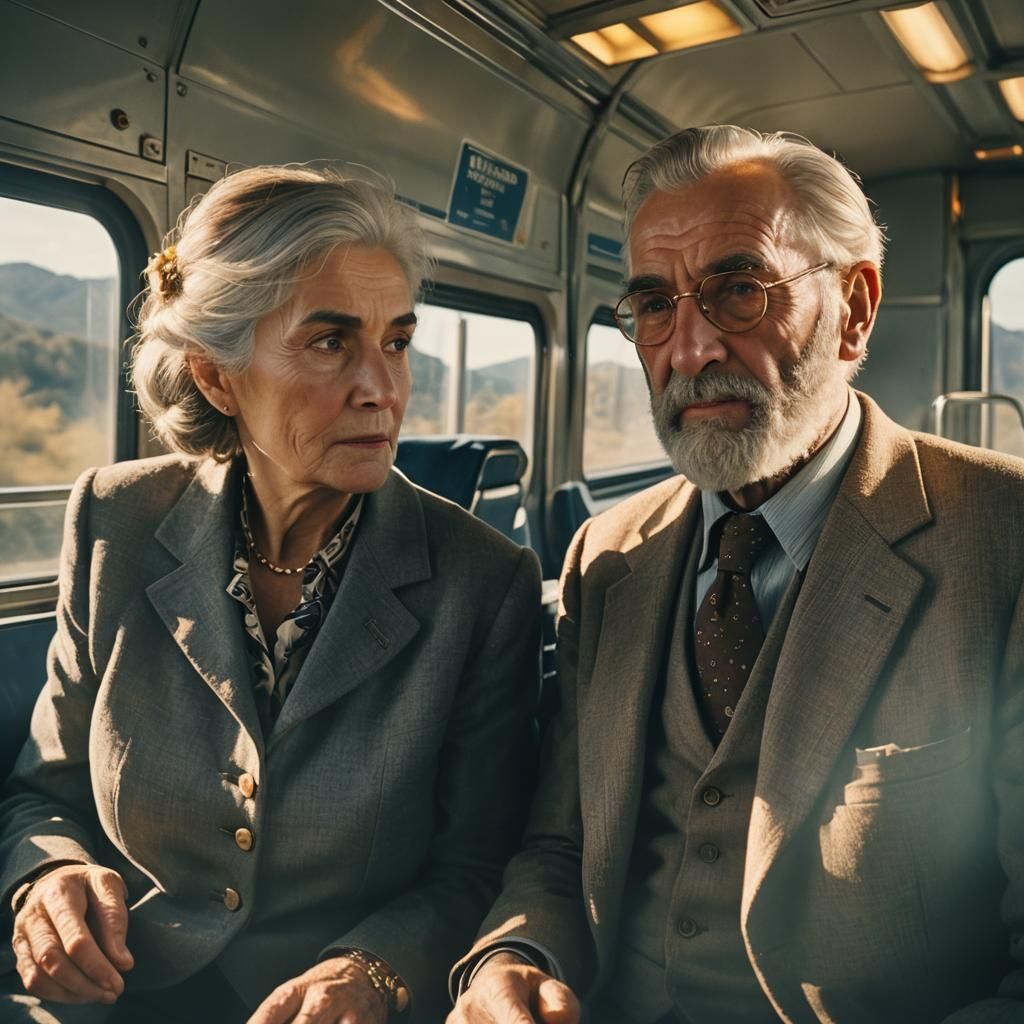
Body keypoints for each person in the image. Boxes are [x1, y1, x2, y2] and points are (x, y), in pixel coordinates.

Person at [447, 125, 1024, 1024]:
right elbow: (559, 846)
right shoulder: (606, 559)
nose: (689, 349)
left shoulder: (1003, 543)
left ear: (857, 308)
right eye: (653, 307)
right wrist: (514, 957)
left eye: (738, 293)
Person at [0, 165, 541, 1024]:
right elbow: (42, 792)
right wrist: (47, 877)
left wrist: (374, 969)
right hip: (117, 988)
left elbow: (481, 864)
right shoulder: (114, 521)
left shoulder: (485, 583)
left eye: (396, 341)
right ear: (217, 376)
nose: (383, 388)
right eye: (330, 342)